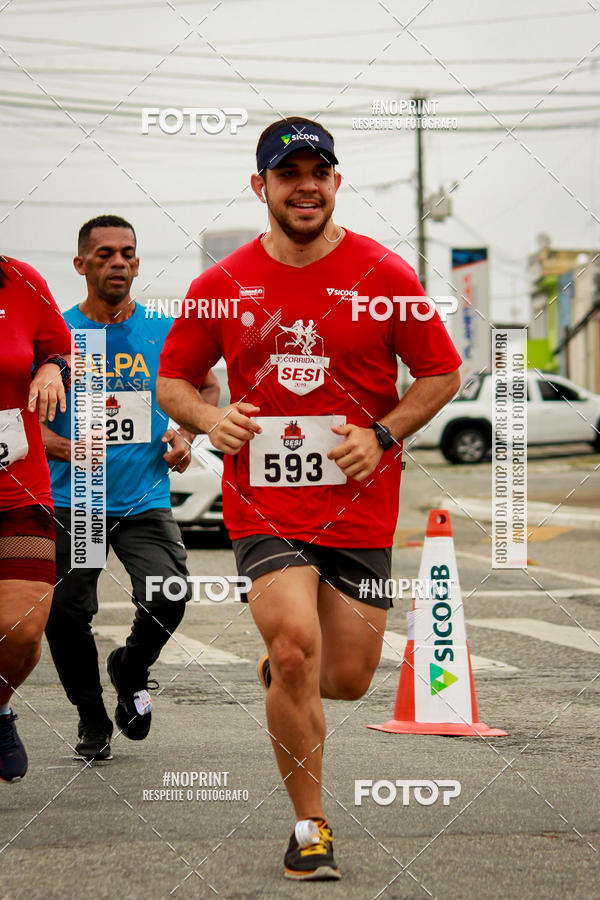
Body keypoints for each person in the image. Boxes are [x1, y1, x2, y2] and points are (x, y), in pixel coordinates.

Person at [156, 117, 462, 880]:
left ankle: (284, 680)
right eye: (288, 174)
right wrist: (207, 416)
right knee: (293, 646)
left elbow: (441, 375)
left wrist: (385, 436)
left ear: (335, 181)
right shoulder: (219, 287)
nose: (306, 186)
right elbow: (173, 382)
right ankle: (310, 826)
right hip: (264, 503)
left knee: (348, 676)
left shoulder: (386, 274)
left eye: (318, 173)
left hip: (360, 505)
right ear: (261, 186)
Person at [43, 215, 218, 762]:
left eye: (127, 253)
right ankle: (91, 718)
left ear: (137, 263)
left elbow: (204, 383)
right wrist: (70, 448)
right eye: (105, 254)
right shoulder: (58, 334)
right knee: (68, 615)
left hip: (145, 497)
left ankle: (131, 667)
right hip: (79, 499)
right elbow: (23, 417)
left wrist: (186, 434)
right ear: (82, 264)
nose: (118, 262)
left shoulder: (160, 330)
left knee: (169, 594)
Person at [0, 255, 72, 782]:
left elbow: (62, 347)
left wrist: (50, 366)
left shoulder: (21, 280)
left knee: (23, 631)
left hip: (18, 491)